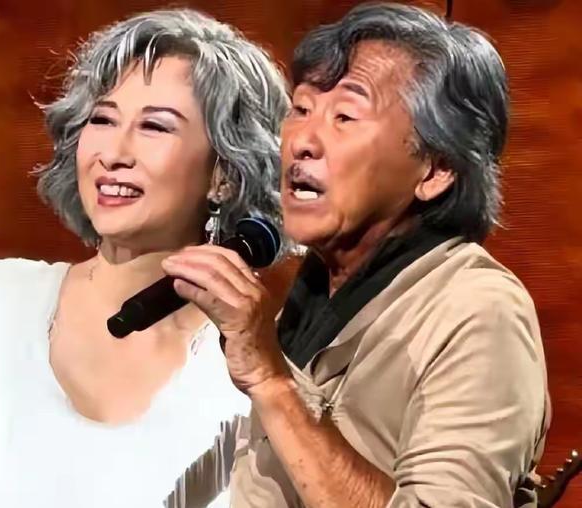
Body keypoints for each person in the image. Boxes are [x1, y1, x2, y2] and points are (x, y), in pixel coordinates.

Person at [161, 3, 551, 507]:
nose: (302, 141)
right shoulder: (311, 298)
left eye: (345, 116)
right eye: (301, 109)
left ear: (435, 170)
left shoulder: (478, 311)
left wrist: (271, 380)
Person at [0, 8, 289, 508]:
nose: (114, 153)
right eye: (102, 119)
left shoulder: (258, 367)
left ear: (225, 176)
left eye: (155, 127)